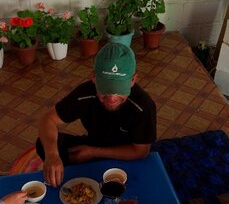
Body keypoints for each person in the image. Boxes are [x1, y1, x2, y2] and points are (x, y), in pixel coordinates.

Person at [37, 43, 157, 186]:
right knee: (44, 144)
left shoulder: (143, 106)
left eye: (119, 90)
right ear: (93, 77)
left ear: (133, 80)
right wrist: (52, 155)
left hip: (125, 155)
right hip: (94, 144)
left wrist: (94, 152)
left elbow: (140, 151)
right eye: (105, 90)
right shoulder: (84, 94)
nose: (112, 98)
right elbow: (48, 119)